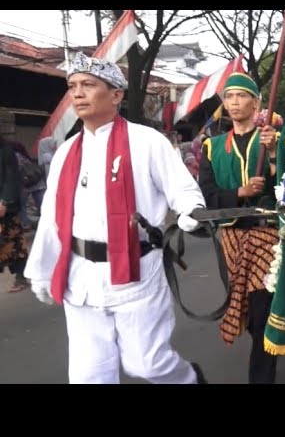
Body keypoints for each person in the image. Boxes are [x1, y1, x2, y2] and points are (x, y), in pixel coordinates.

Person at [24, 52, 208, 384]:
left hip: (137, 275)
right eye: (73, 86)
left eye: (88, 85)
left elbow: (183, 190)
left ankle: (189, 379)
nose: (77, 93)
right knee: (88, 375)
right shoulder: (66, 152)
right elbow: (53, 216)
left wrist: (190, 211)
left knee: (148, 365)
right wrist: (41, 269)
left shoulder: (147, 142)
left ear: (116, 95)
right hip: (80, 278)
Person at [198, 72, 280, 384]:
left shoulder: (272, 140)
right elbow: (207, 196)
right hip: (231, 238)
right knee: (246, 309)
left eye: (241, 96)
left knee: (262, 315)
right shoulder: (212, 147)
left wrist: (274, 155)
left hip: (267, 234)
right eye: (229, 97)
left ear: (256, 103)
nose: (233, 102)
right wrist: (240, 193)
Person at [0, 136, 30, 293]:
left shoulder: (6, 151)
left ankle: (21, 277)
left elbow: (11, 179)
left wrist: (5, 201)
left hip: (6, 209)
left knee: (14, 245)